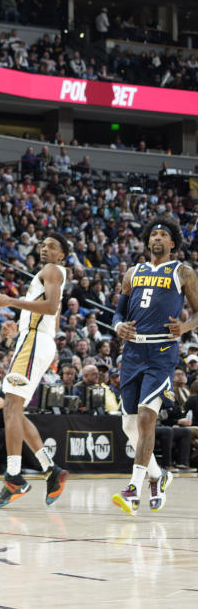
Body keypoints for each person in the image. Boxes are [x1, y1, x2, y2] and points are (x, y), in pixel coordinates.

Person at [111, 218, 198, 516]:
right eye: (154, 234)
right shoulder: (133, 272)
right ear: (148, 241)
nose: (158, 238)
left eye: (164, 234)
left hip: (162, 350)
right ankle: (158, 475)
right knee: (128, 424)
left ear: (173, 243)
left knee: (147, 417)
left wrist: (185, 326)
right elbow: (118, 312)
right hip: (133, 350)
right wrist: (118, 326)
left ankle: (133, 490)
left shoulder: (183, 271)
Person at [0, 233, 71, 508]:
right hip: (34, 339)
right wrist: (20, 332)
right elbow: (51, 317)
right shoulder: (50, 274)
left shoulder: (51, 271)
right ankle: (51, 470)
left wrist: (11, 302)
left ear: (62, 255)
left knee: (11, 406)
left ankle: (14, 476)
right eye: (43, 245)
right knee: (14, 408)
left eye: (52, 246)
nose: (45, 249)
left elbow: (50, 307)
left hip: (35, 341)